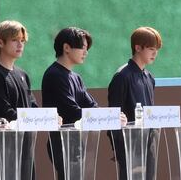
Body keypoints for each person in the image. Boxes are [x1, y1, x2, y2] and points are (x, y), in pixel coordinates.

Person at [0, 20, 38, 180]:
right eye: (15, 40)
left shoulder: (22, 74)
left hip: (26, 144)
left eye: (22, 41)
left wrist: (47, 117)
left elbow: (32, 104)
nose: (20, 44)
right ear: (0, 42)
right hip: (5, 147)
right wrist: (34, 119)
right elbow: (3, 111)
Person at [41, 27, 98, 179]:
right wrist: (100, 116)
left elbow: (91, 104)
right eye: (82, 48)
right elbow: (70, 110)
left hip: (77, 141)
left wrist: (107, 116)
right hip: (62, 142)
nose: (86, 52)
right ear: (66, 48)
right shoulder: (54, 74)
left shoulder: (76, 77)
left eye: (87, 49)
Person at [108, 27, 162, 180]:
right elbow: (114, 114)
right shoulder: (122, 76)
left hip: (149, 142)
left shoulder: (149, 77)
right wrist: (117, 147)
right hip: (129, 145)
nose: (155, 53)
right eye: (151, 48)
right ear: (137, 47)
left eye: (157, 49)